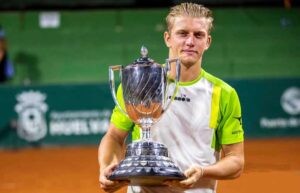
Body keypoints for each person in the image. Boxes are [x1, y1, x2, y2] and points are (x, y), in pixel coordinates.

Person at [98, 3, 244, 193]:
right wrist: (108, 167)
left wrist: (202, 171)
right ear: (168, 38)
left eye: (198, 35)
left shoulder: (224, 93)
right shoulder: (140, 81)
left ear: (207, 42)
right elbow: (114, 136)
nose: (190, 42)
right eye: (183, 33)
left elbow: (236, 160)